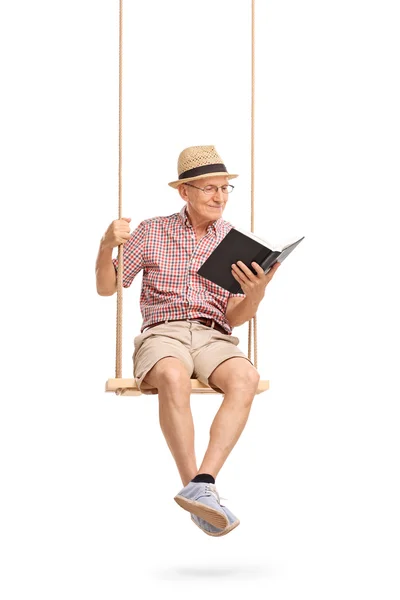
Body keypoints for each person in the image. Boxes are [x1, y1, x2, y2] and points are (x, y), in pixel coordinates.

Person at [95, 145, 280, 537]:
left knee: (246, 378)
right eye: (209, 189)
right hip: (164, 332)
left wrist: (257, 293)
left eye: (225, 189)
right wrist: (106, 245)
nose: (219, 197)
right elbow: (107, 288)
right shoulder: (151, 231)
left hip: (214, 334)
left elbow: (234, 316)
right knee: (173, 376)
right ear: (184, 192)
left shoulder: (233, 240)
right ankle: (196, 490)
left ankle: (204, 484)